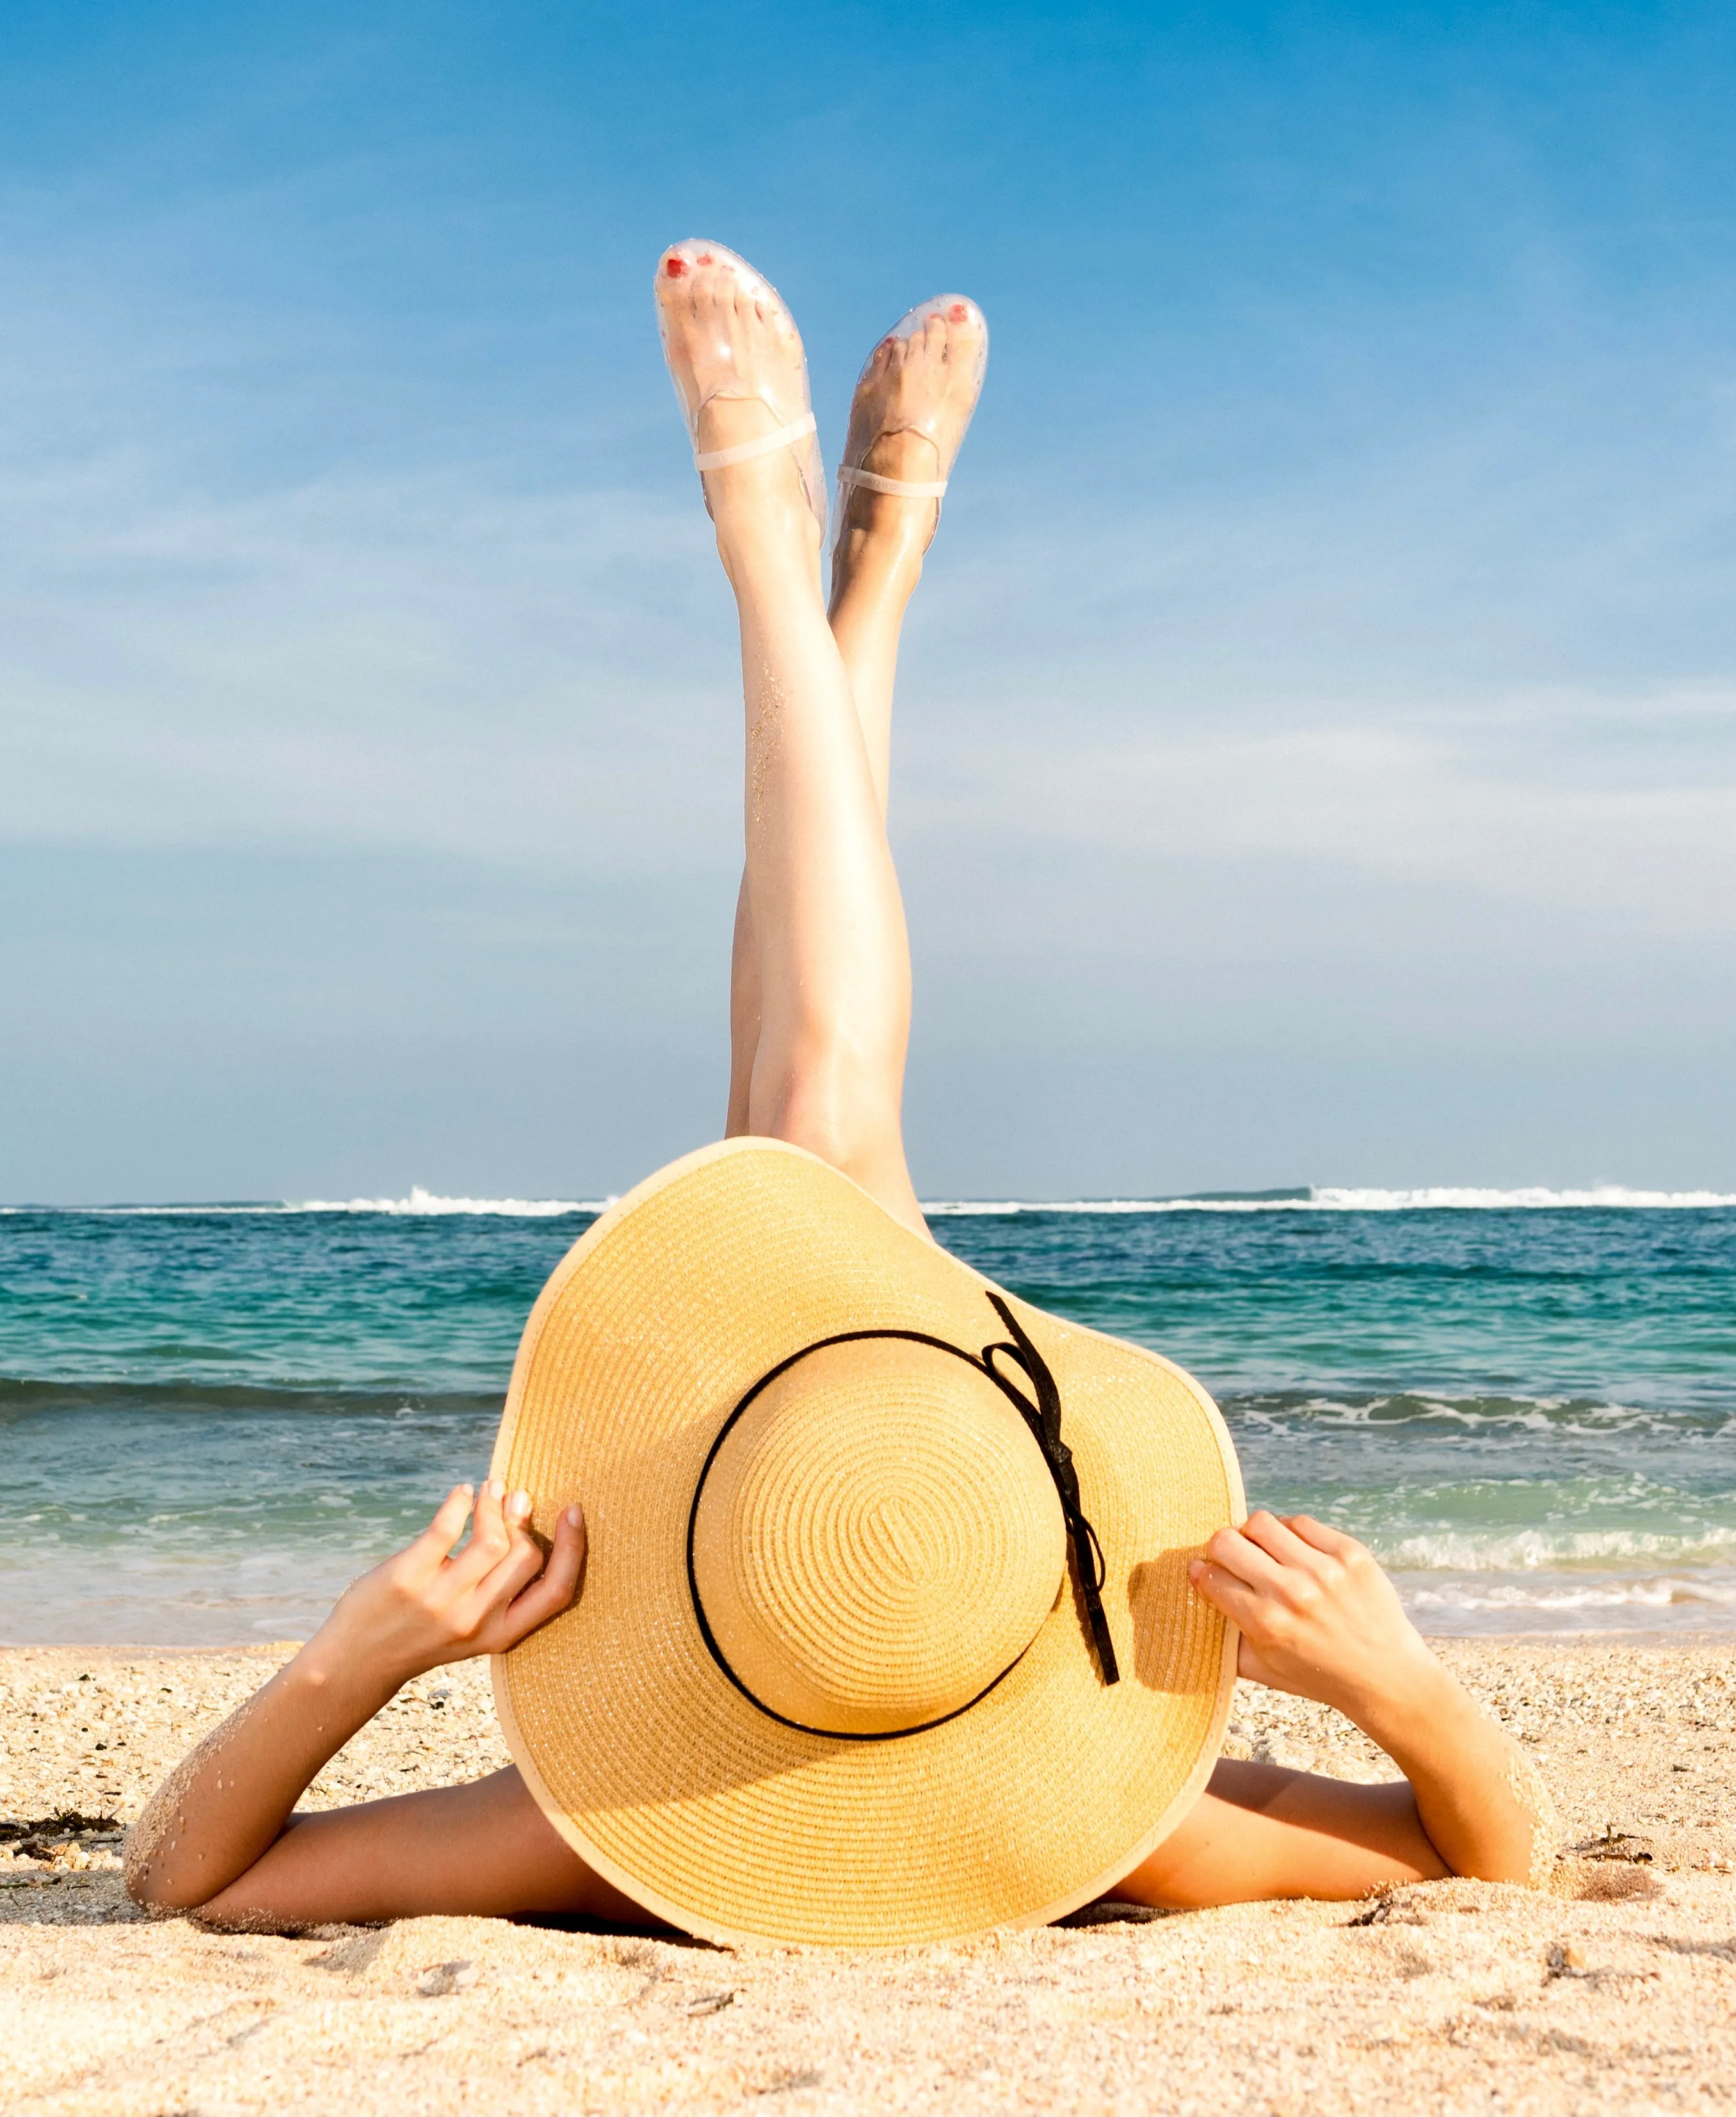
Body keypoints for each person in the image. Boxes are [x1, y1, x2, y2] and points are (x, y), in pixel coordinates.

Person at [125, 243, 1554, 1936]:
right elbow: (1506, 1862)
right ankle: (824, 564)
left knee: (790, 1084)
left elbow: (178, 1877)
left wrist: (361, 1648)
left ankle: (824, 567)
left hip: (806, 1468)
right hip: (920, 1435)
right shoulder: (1136, 1838)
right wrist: (1402, 1688)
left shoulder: (610, 1828)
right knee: (813, 1088)